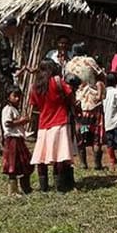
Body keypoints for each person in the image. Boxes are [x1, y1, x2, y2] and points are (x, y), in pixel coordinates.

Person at [30, 60, 76, 193]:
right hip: (60, 122)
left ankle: (43, 187)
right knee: (59, 156)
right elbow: (70, 96)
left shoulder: (35, 86)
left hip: (43, 124)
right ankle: (60, 186)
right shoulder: (57, 81)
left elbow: (35, 105)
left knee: (41, 157)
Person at [1, 86, 34, 195]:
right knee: (13, 165)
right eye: (14, 96)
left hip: (19, 139)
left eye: (19, 96)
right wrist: (22, 121)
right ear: (8, 97)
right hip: (12, 140)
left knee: (26, 162)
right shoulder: (7, 109)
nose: (17, 99)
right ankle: (13, 191)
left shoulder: (15, 109)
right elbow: (8, 124)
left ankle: (26, 188)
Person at [75, 72, 105, 171]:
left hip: (84, 115)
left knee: (83, 137)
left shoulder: (79, 86)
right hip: (95, 114)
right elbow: (100, 97)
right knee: (96, 138)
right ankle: (97, 164)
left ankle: (84, 164)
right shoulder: (98, 84)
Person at [102, 71, 117, 168]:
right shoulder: (116, 92)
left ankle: (112, 160)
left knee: (110, 141)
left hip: (107, 121)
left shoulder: (104, 92)